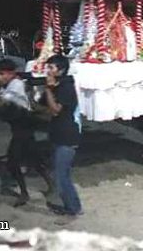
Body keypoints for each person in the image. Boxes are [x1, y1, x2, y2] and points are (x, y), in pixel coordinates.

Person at [0, 59, 53, 207]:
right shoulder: (10, 84)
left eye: (1, 74)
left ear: (10, 73)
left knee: (13, 162)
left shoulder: (15, 85)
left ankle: (24, 194)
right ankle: (52, 186)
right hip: (22, 126)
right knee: (33, 158)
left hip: (22, 126)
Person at [43, 55, 83, 224]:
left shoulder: (66, 87)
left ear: (61, 69)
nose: (48, 71)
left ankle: (71, 211)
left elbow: (55, 109)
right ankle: (75, 206)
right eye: (48, 68)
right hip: (59, 134)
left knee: (61, 177)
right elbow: (44, 107)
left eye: (51, 68)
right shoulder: (59, 85)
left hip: (67, 136)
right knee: (63, 174)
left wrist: (47, 89)